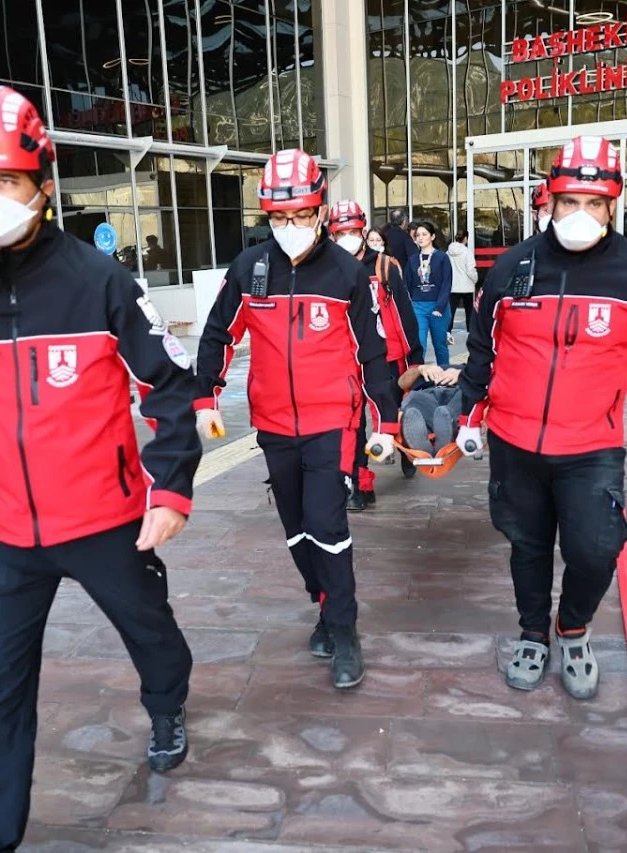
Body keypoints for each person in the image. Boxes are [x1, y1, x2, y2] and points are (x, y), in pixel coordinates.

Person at [0, 85, 202, 853]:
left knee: (151, 632)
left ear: (42, 182)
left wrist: (169, 489)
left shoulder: (100, 283)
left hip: (105, 519)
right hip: (1, 532)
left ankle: (167, 703)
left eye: (4, 179)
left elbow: (168, 386)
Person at [456, 135, 627, 702]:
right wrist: (469, 416)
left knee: (595, 549)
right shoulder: (513, 268)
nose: (581, 213)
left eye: (595, 204)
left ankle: (572, 627)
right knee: (527, 546)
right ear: (550, 200)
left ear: (612, 206)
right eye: (570, 201)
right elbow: (483, 348)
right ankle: (533, 633)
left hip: (592, 447)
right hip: (515, 442)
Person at [194, 149, 398, 690]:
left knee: (327, 525)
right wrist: (206, 397)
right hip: (274, 424)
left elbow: (373, 354)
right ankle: (325, 603)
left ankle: (344, 629)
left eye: (301, 216)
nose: (290, 227)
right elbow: (218, 334)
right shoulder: (250, 269)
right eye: (279, 218)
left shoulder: (346, 274)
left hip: (332, 422)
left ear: (320, 211)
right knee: (297, 531)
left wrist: (386, 423)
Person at [326, 198, 420, 511]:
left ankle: (406, 447)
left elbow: (404, 315)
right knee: (352, 424)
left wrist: (414, 359)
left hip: (386, 355)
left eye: (352, 231)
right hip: (346, 359)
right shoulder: (327, 270)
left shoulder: (384, 266)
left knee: (390, 412)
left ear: (363, 230)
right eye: (340, 233)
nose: (347, 238)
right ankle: (360, 484)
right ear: (331, 235)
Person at [405, 221, 453, 369]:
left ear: (432, 236)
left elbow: (446, 284)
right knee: (419, 344)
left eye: (424, 234)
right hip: (418, 306)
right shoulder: (413, 259)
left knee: (440, 344)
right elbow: (407, 283)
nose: (420, 238)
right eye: (417, 235)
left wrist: (440, 307)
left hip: (438, 306)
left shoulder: (442, 258)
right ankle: (417, 376)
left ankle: (444, 375)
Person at [398, 363, 461, 455]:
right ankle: (433, 440)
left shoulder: (468, 367)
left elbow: (481, 379)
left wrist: (462, 374)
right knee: (413, 399)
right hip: (426, 394)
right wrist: (420, 369)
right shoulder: (419, 369)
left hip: (456, 391)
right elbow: (401, 383)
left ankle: (445, 425)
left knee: (467, 396)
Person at [447, 229, 478, 338]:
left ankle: (448, 330)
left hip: (453, 285)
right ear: (465, 238)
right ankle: (470, 329)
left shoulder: (449, 252)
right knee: (469, 310)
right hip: (466, 285)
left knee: (451, 309)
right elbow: (470, 270)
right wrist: (475, 279)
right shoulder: (467, 252)